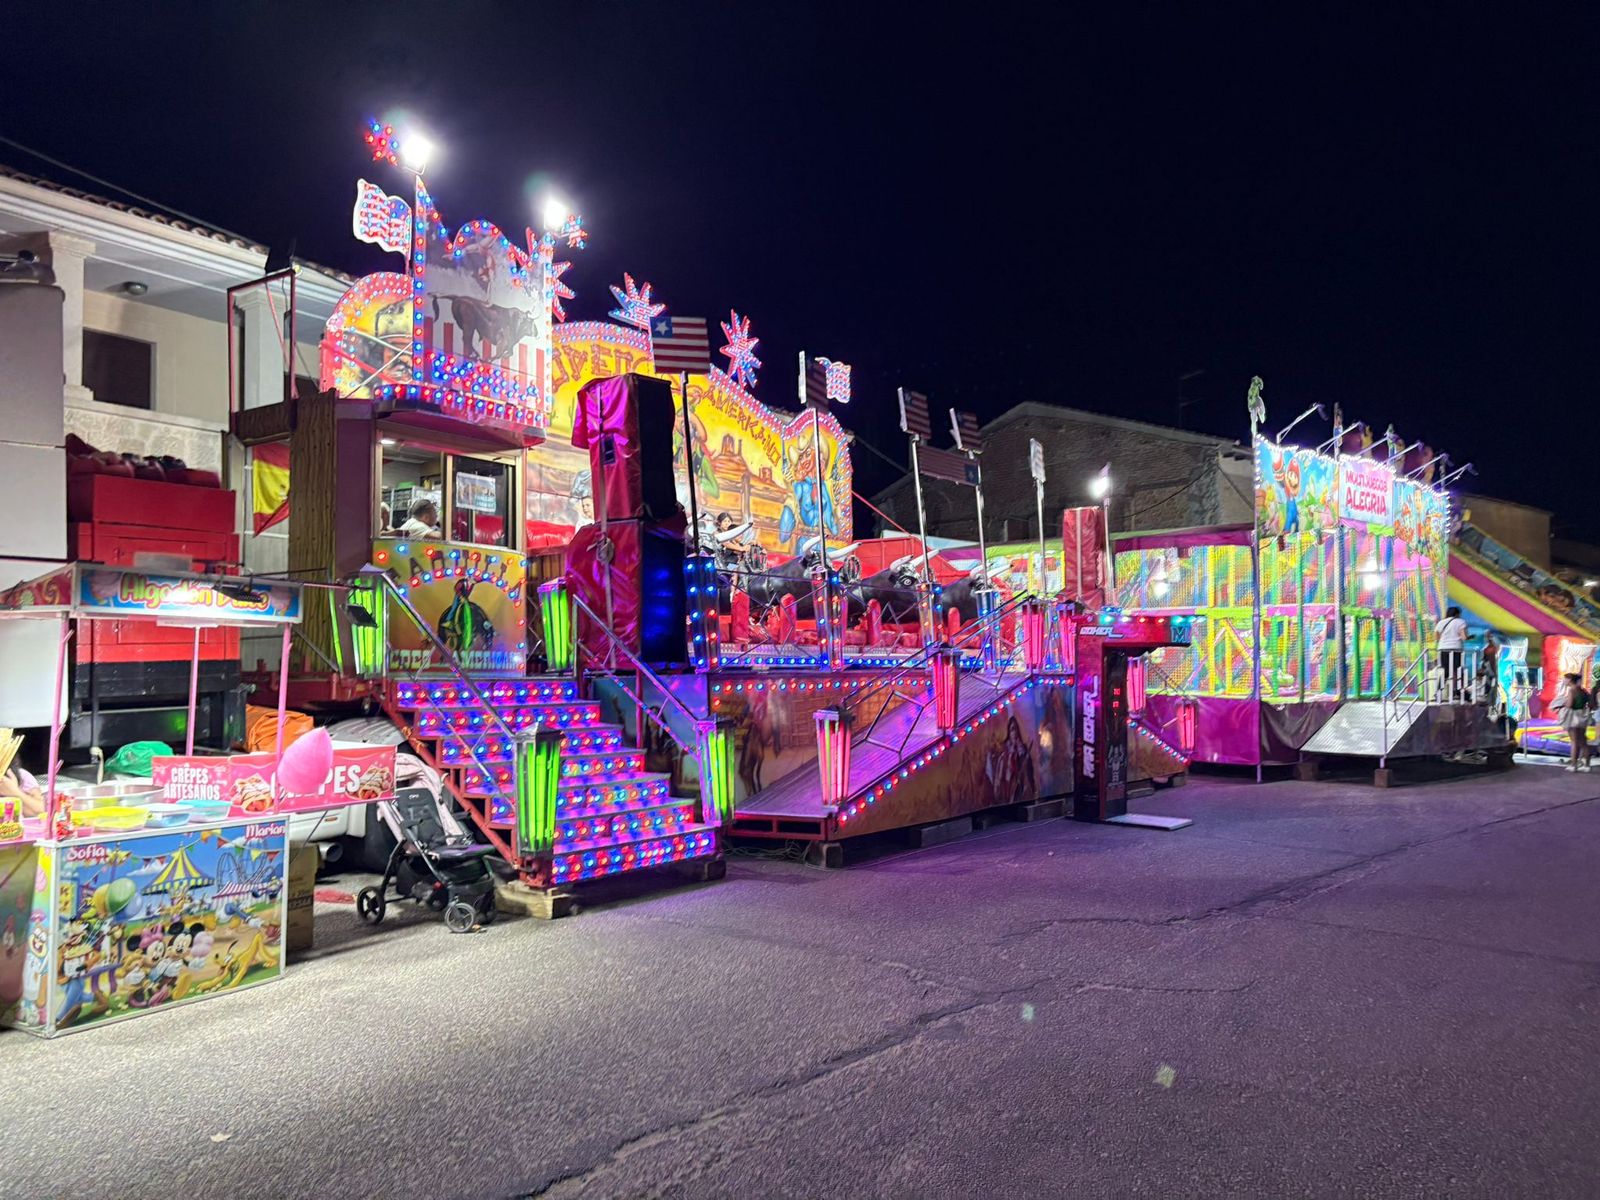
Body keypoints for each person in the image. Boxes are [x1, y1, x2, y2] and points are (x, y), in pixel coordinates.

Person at [1553, 672, 1593, 772]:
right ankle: (1587, 765)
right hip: (1582, 716)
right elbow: (1588, 702)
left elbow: (1570, 704)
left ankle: (1573, 765)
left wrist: (1561, 705)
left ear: (1570, 680)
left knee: (1574, 741)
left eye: (1565, 679)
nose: (1563, 681)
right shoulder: (1582, 690)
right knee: (1583, 741)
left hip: (1573, 717)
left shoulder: (1572, 690)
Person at [1436, 605, 1468, 699]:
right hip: (1456, 648)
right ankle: (1458, 691)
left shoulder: (1441, 622)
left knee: (1446, 671)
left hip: (1443, 648)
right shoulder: (1461, 622)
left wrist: (1446, 639)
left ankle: (1438, 692)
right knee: (1457, 671)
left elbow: (1437, 637)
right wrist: (1469, 637)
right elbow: (1464, 637)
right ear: (1457, 614)